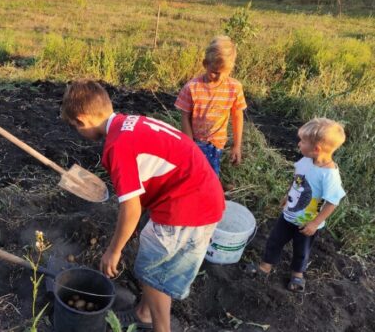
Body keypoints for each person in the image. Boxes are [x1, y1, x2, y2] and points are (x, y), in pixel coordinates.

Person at [61, 80, 224, 332]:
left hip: (186, 208)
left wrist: (113, 251)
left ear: (82, 119)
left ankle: (160, 328)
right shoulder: (130, 122)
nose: (77, 132)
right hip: (200, 194)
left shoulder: (118, 146)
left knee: (153, 275)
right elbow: (154, 175)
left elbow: (131, 209)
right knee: (152, 259)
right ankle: (144, 314)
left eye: (74, 127)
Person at [244, 118, 346, 292]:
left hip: (306, 223)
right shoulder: (306, 161)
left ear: (316, 149)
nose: (299, 144)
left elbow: (332, 202)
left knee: (301, 250)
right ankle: (265, 266)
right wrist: (288, 195)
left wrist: (315, 223)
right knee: (274, 240)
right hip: (289, 214)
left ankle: (297, 275)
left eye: (302, 141)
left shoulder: (329, 175)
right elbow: (299, 179)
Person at [175, 35, 247, 176]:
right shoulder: (192, 88)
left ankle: (214, 189)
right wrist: (190, 146)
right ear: (205, 64)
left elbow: (238, 115)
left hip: (217, 144)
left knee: (210, 174)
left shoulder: (235, 88)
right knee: (197, 175)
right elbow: (185, 117)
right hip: (196, 142)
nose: (219, 77)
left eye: (225, 72)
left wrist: (237, 146)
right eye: (214, 72)